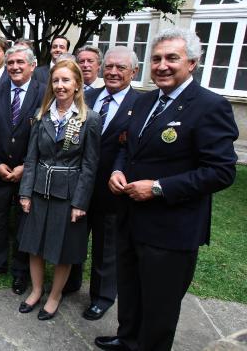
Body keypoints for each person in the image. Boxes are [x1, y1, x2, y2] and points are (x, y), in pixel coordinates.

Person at [96, 28, 238, 351]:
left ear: (192, 63)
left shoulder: (209, 106)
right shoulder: (144, 101)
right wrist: (118, 169)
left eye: (172, 58)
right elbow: (127, 146)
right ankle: (128, 338)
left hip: (171, 231)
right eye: (156, 58)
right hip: (131, 219)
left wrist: (158, 187)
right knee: (130, 291)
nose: (161, 65)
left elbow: (221, 171)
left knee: (160, 308)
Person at [18, 59, 100, 320]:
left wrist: (80, 203)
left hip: (68, 194)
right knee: (35, 245)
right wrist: (25, 192)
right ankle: (37, 290)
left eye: (66, 80)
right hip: (40, 189)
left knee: (62, 249)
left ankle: (54, 296)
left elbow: (90, 166)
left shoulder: (89, 119)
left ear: (77, 84)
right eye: (56, 80)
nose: (60, 85)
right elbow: (30, 158)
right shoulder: (41, 117)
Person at [67, 46, 142, 320]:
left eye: (120, 68)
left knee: (105, 244)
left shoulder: (140, 105)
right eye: (109, 66)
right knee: (74, 237)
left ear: (133, 72)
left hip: (112, 189)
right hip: (79, 184)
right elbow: (72, 137)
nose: (112, 72)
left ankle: (102, 296)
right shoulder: (87, 96)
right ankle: (70, 282)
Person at [0, 45, 45, 295]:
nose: (15, 67)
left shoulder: (43, 94)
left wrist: (25, 167)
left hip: (26, 172)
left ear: (32, 65)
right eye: (11, 63)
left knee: (23, 222)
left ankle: (20, 271)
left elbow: (44, 138)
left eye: (20, 62)